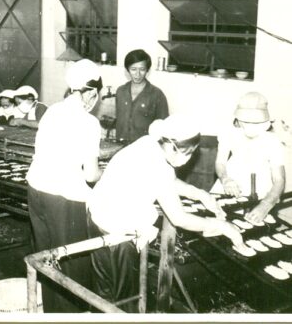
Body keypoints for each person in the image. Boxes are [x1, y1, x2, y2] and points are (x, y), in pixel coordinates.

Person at [87, 114, 244, 313]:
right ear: (171, 145)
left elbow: (168, 181)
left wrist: (199, 193)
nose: (188, 159)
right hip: (117, 232)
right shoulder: (157, 164)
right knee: (124, 299)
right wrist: (221, 226)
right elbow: (178, 217)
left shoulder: (149, 144)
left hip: (98, 216)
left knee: (105, 292)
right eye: (187, 153)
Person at [26, 59, 103, 313]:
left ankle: (51, 313)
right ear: (91, 93)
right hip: (64, 200)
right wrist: (106, 174)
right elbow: (91, 175)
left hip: (36, 190)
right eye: (97, 97)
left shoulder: (52, 111)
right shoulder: (89, 122)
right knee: (72, 266)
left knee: (47, 259)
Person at [211, 91, 286, 224]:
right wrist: (225, 179)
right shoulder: (228, 134)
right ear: (238, 120)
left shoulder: (273, 141)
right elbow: (220, 163)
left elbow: (279, 179)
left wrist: (265, 205)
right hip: (231, 183)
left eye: (257, 123)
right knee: (219, 224)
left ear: (266, 122)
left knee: (253, 230)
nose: (251, 127)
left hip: (261, 188)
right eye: (247, 122)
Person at [115, 49, 169, 143]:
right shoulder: (120, 92)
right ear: (127, 69)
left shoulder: (157, 94)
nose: (137, 74)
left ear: (147, 70)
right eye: (133, 69)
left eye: (142, 69)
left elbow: (163, 130)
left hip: (144, 149)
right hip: (120, 148)